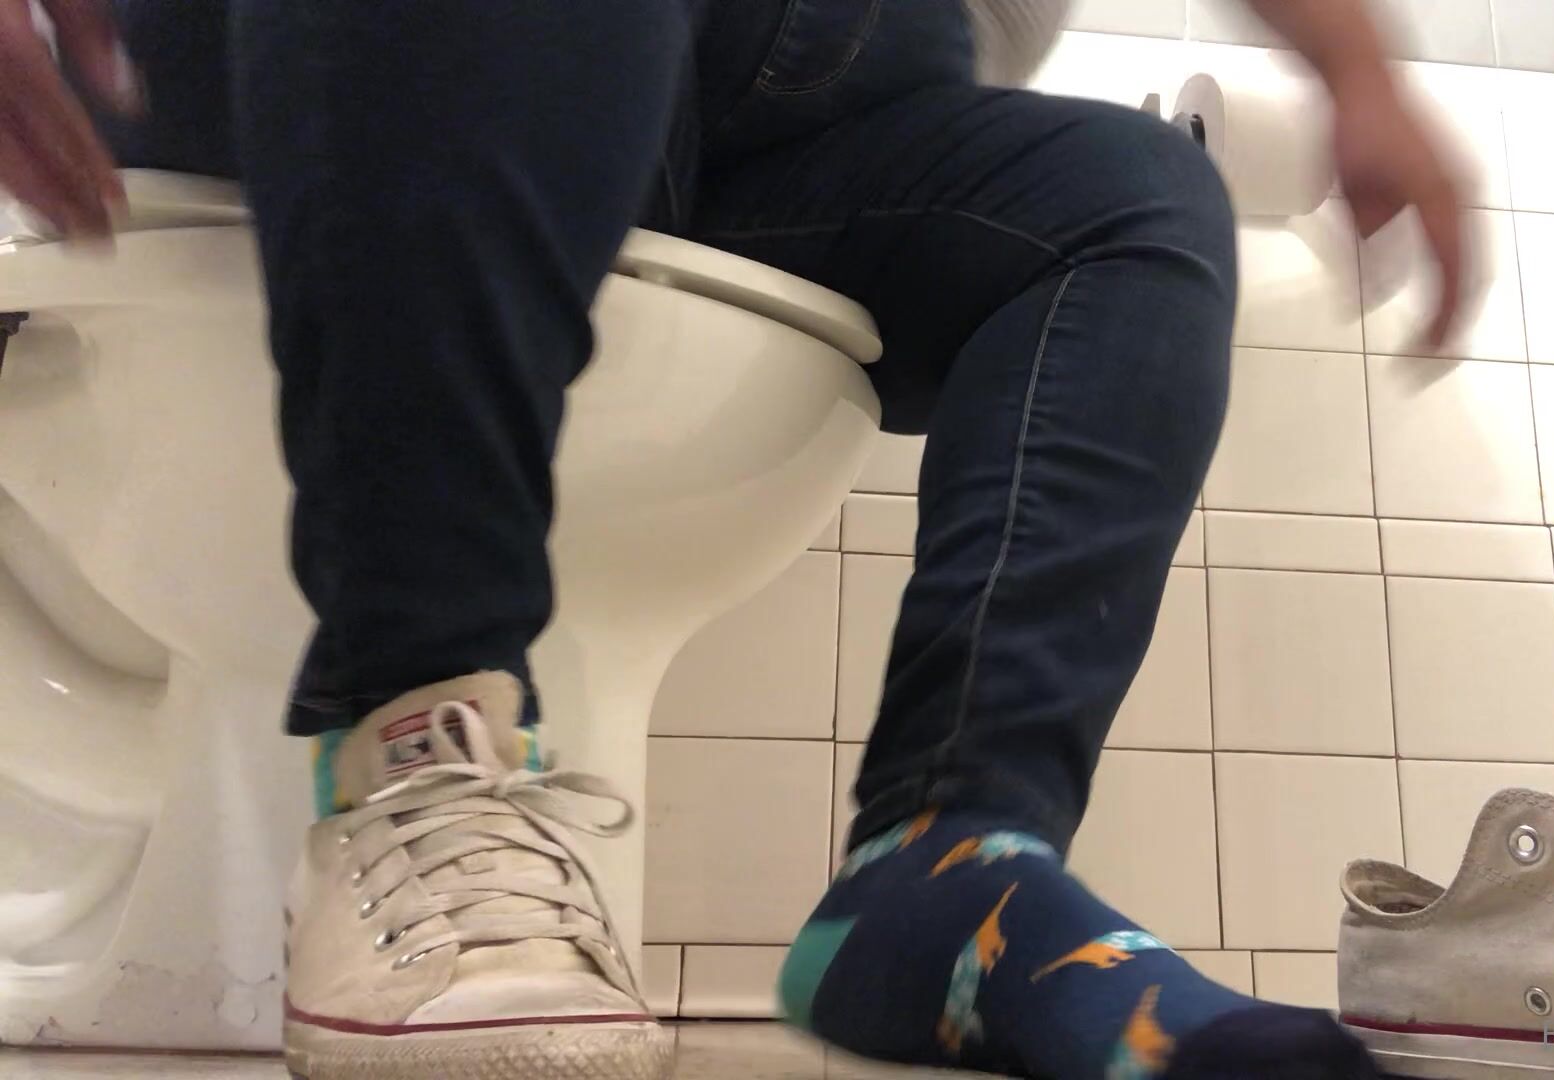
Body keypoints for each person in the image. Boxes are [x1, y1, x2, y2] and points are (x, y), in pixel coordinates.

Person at [1, 0, 1468, 1076]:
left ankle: (953, 870)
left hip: (788, 111)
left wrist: (1355, 69)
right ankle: (417, 736)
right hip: (340, 53)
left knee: (1127, 207)